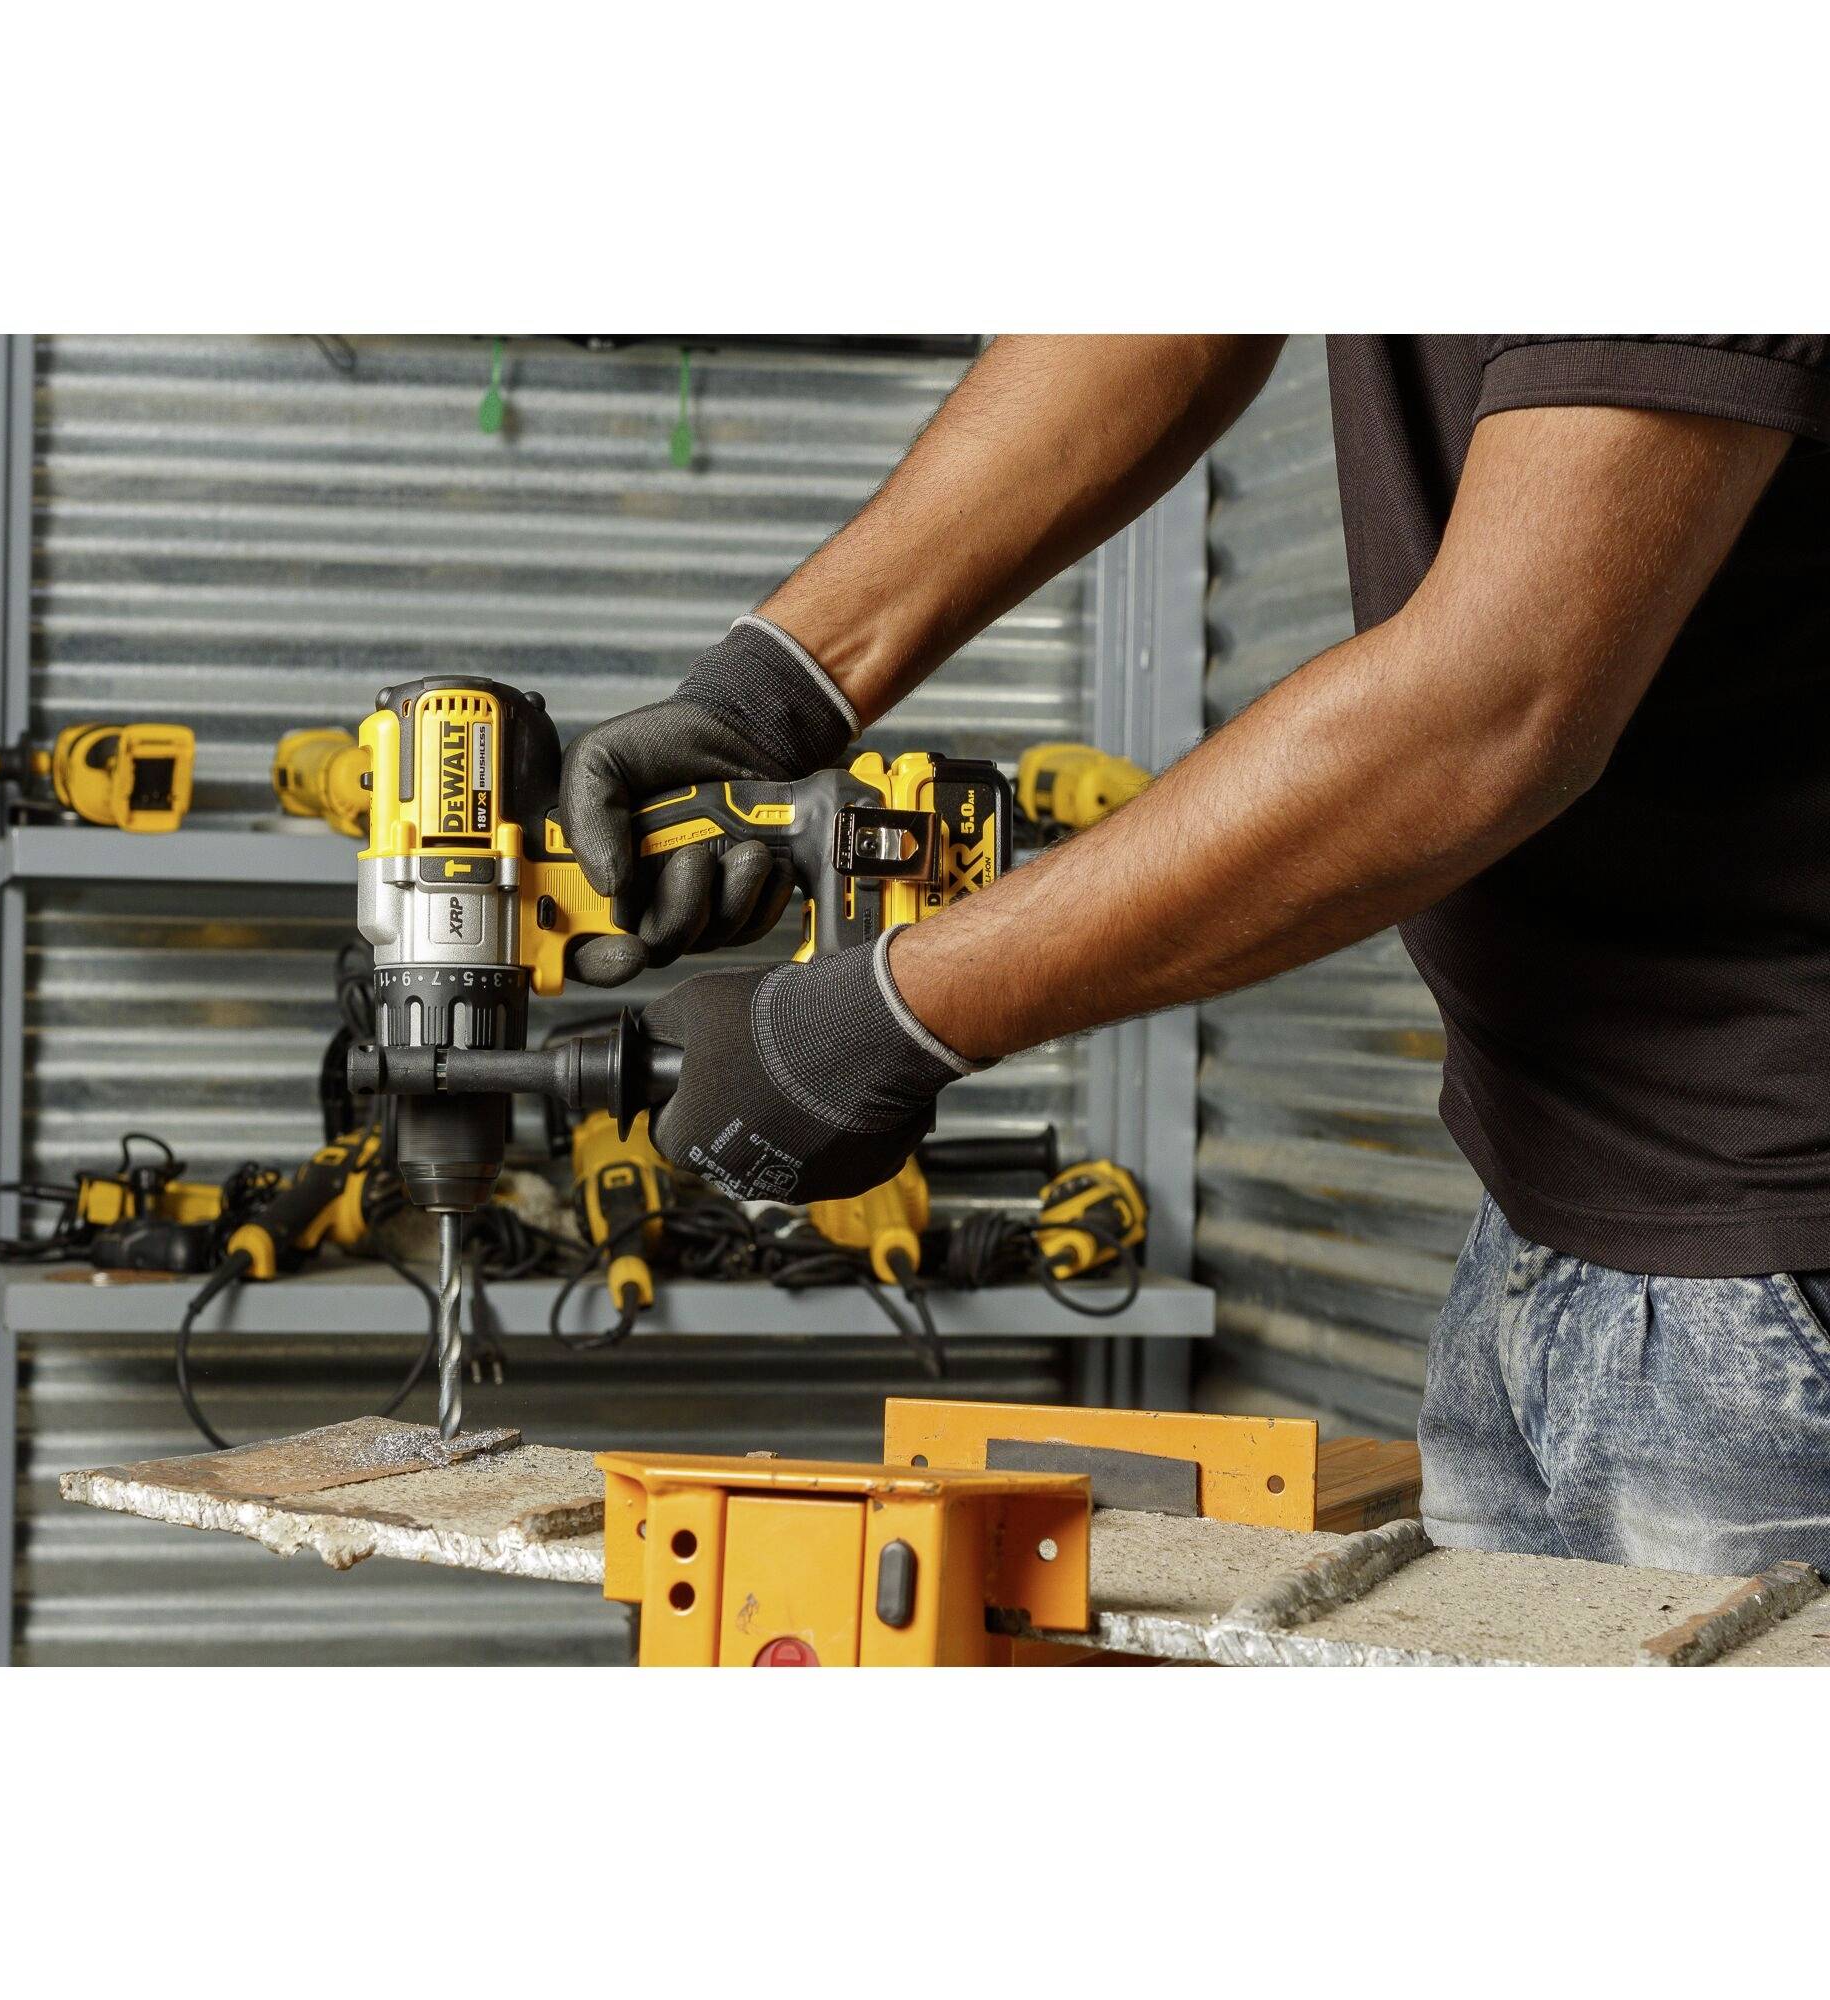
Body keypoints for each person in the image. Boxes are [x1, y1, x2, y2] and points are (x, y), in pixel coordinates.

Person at [556, 335, 1830, 1578]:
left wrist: (880, 1021)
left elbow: (1491, 703)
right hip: (1548, 1189)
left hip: (1775, 1246)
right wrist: (773, 689)